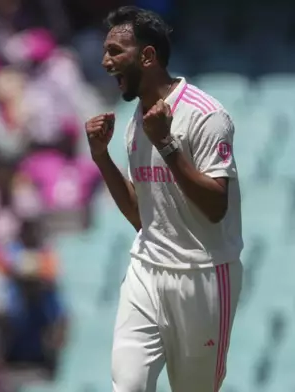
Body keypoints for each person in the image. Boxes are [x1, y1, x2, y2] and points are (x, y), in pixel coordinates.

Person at [85, 6, 243, 392]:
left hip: (203, 277)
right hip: (147, 269)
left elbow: (215, 207)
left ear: (148, 56)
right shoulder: (137, 121)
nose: (105, 62)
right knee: (128, 385)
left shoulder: (206, 115)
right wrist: (101, 157)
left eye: (115, 51)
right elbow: (144, 218)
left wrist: (168, 144)